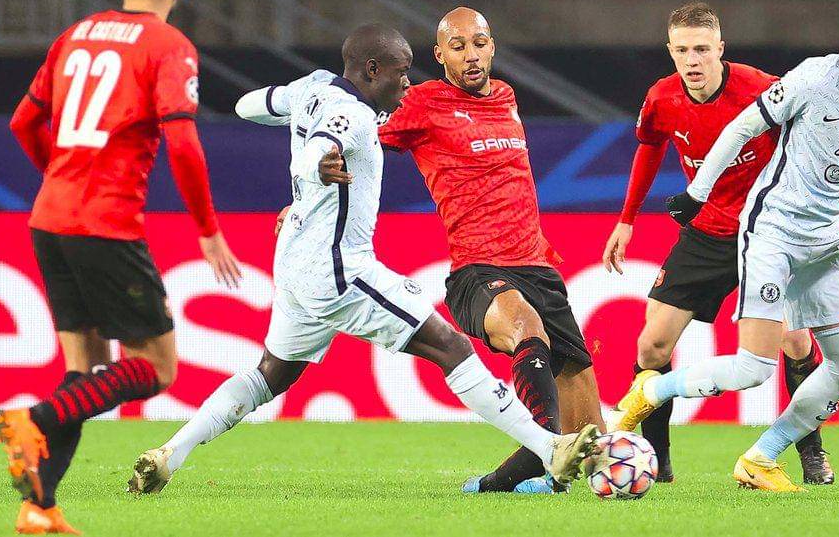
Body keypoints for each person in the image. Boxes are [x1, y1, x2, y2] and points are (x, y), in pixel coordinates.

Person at [127, 24, 599, 495]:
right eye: (401, 72)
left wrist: (304, 161)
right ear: (373, 70)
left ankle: (172, 452)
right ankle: (547, 447)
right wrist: (316, 167)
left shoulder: (311, 87)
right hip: (339, 270)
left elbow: (247, 105)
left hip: (293, 265)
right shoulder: (352, 116)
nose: (408, 83)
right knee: (451, 349)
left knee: (270, 373)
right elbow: (314, 153)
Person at [613, 0, 839, 491]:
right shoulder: (809, 79)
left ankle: (771, 455)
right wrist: (680, 200)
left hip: (825, 236)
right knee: (731, 361)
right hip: (763, 228)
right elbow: (729, 131)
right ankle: (653, 401)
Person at [0, 0, 241, 534]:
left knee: (86, 368)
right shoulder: (169, 45)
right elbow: (182, 141)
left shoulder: (73, 35)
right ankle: (33, 421)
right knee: (157, 368)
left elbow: (23, 120)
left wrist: (58, 176)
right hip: (105, 224)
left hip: (49, 219)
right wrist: (207, 229)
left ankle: (39, 508)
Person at [378, 7, 606, 494]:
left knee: (593, 440)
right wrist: (308, 192)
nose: (471, 54)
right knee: (526, 326)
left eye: (479, 43)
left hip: (538, 267)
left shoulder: (506, 96)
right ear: (440, 56)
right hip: (478, 272)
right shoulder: (422, 103)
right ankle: (544, 453)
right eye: (457, 46)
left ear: (493, 46)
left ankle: (510, 482)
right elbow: (357, 141)